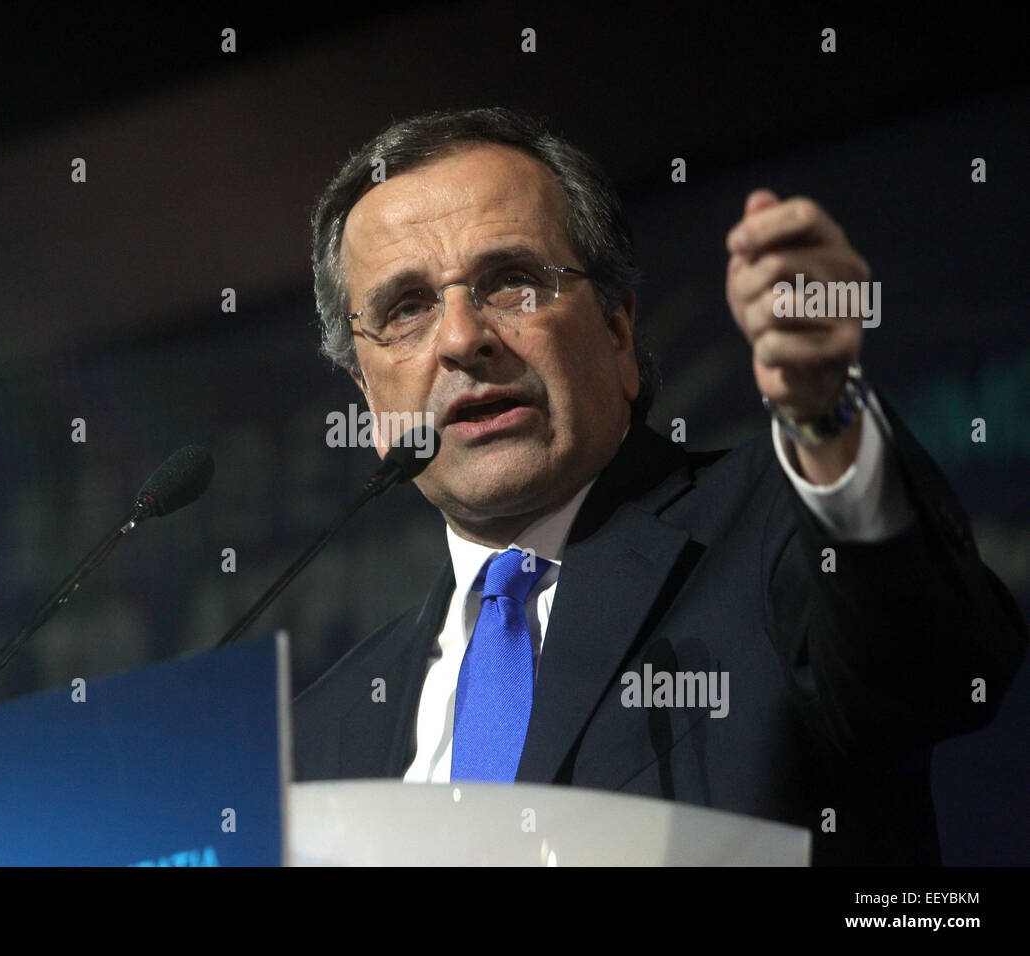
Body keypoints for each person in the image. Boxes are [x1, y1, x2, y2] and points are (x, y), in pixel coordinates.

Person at [291, 107, 1027, 865]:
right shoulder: (322, 735)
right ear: (371, 404)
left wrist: (826, 418)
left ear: (617, 333)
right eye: (407, 308)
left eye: (511, 282)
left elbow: (936, 672)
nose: (460, 338)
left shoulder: (774, 529)